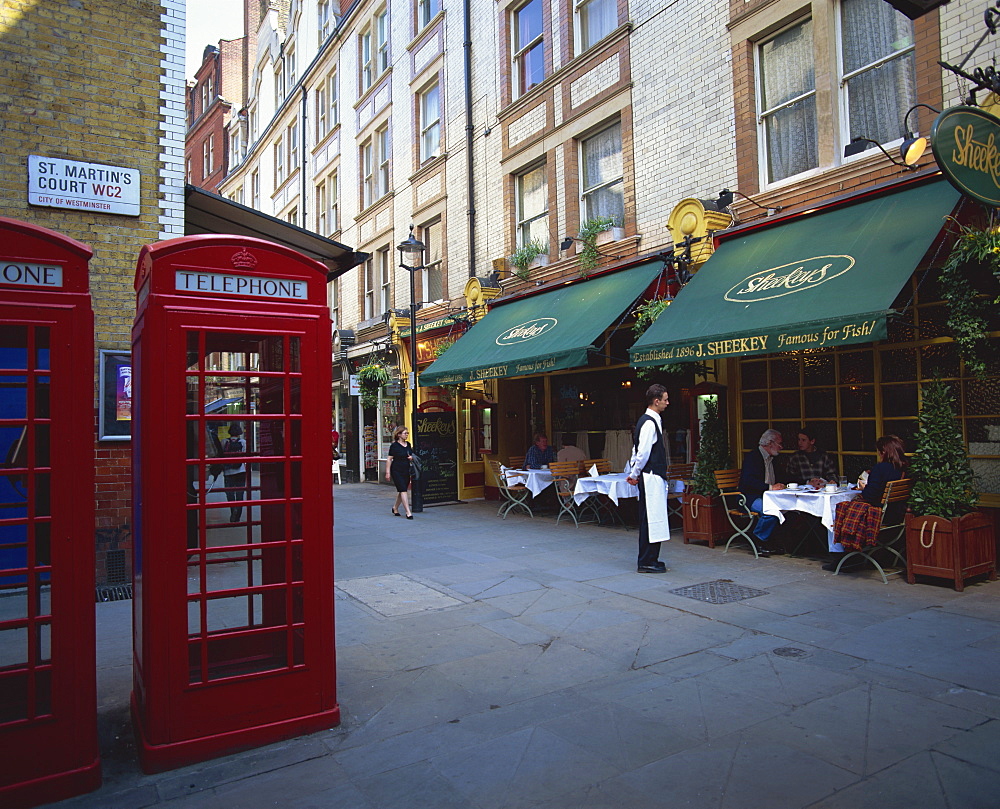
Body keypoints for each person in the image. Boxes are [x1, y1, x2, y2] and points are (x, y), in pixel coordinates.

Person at [827, 435, 908, 569]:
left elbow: (869, 496)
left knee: (840, 510)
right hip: (896, 514)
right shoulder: (903, 468)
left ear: (883, 452)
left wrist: (864, 487)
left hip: (880, 516)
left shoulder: (880, 468)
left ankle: (845, 556)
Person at [625, 384, 671, 573]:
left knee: (653, 517)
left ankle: (651, 557)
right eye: (665, 399)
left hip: (652, 475)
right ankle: (646, 560)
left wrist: (634, 473)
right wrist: (634, 474)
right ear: (656, 401)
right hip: (650, 476)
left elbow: (637, 451)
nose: (668, 403)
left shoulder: (652, 420)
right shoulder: (650, 422)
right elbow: (642, 452)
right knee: (650, 518)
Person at [738, 428, 787, 556]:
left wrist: (807, 482)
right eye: (779, 444)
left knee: (789, 509)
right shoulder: (753, 457)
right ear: (770, 443)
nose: (781, 447)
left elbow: (785, 476)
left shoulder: (773, 458)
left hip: (770, 496)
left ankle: (775, 541)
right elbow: (749, 482)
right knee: (771, 511)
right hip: (750, 497)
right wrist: (770, 488)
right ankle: (758, 539)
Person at [385, 426, 415, 519]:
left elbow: (411, 455)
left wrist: (411, 458)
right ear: (399, 434)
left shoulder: (408, 444)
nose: (407, 435)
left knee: (402, 490)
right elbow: (389, 459)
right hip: (396, 470)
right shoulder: (394, 446)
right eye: (405, 433)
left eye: (407, 433)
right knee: (403, 489)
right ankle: (408, 512)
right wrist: (387, 472)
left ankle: (395, 508)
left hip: (406, 470)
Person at [222, 423, 247, 523]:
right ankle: (237, 517)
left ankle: (233, 511)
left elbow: (220, 455)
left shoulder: (224, 442)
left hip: (228, 472)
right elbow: (245, 456)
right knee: (240, 495)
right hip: (241, 471)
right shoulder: (243, 442)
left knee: (230, 494)